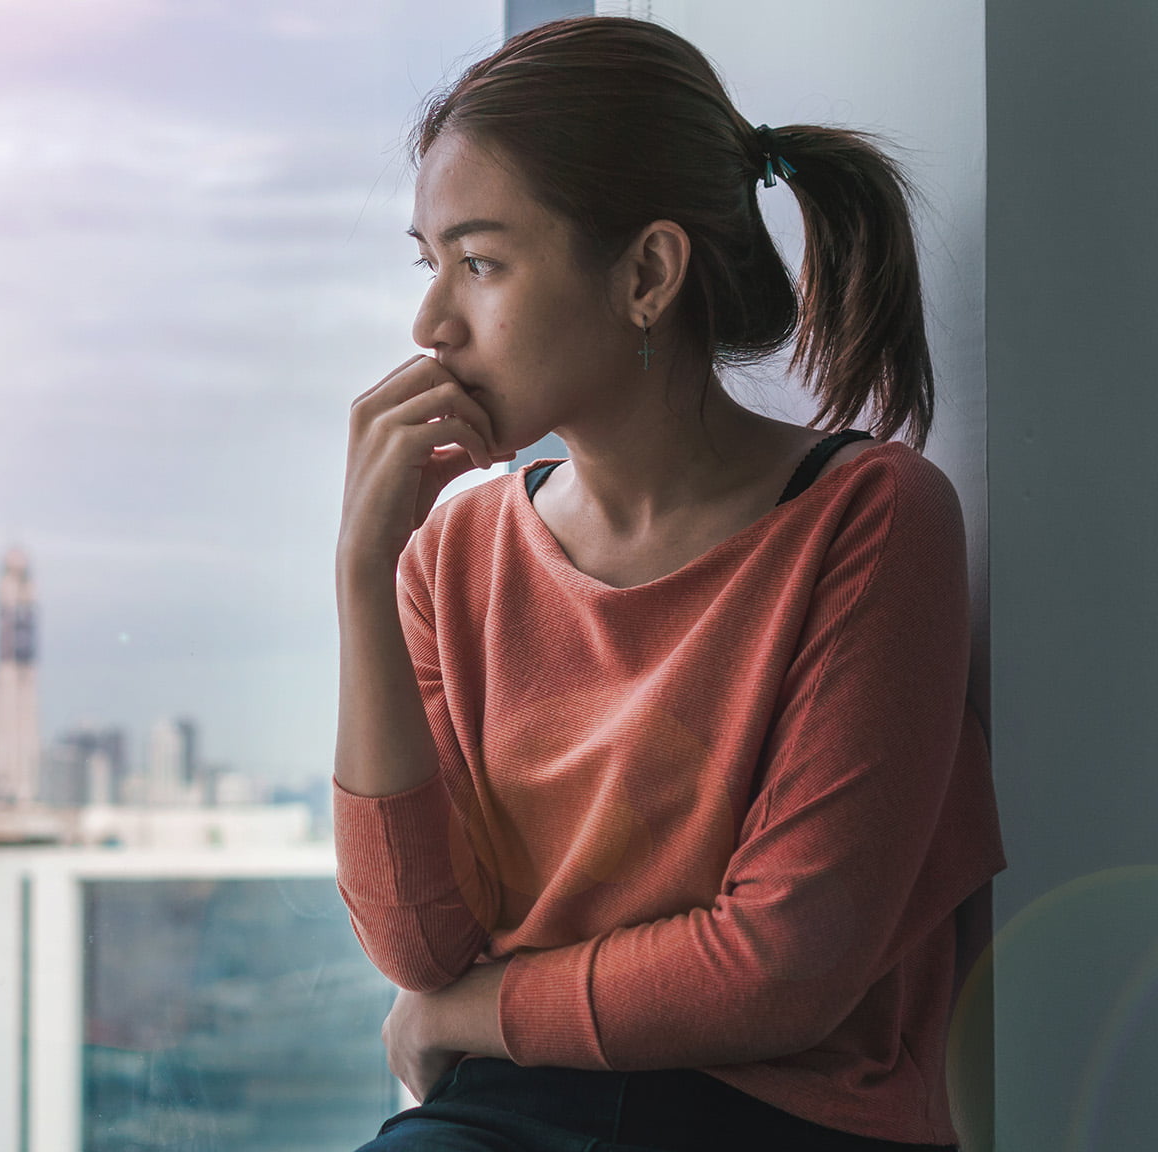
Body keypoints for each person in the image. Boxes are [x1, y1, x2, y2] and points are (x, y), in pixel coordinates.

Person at [333, 16, 1005, 1152]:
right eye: (428, 262)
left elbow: (778, 970)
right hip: (508, 1111)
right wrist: (362, 577)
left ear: (645, 273)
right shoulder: (454, 553)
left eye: (481, 262)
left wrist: (470, 1013)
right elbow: (416, 942)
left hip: (780, 1124)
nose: (430, 322)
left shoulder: (867, 519)